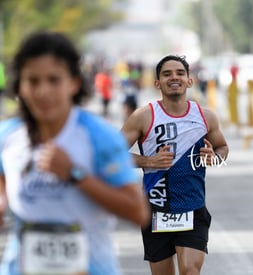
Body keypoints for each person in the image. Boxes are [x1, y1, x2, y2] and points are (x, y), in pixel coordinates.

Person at [0, 31, 150, 275]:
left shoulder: (99, 137)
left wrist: (74, 174)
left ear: (74, 83)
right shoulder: (7, 136)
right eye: (33, 81)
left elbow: (138, 212)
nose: (43, 91)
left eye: (53, 80)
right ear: (20, 86)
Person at [121, 55, 229, 275]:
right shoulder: (143, 117)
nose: (174, 78)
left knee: (190, 270)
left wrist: (214, 157)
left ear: (189, 81)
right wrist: (148, 161)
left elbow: (222, 148)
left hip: (192, 206)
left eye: (180, 73)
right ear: (157, 83)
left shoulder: (205, 116)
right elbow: (111, 155)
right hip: (155, 209)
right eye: (167, 74)